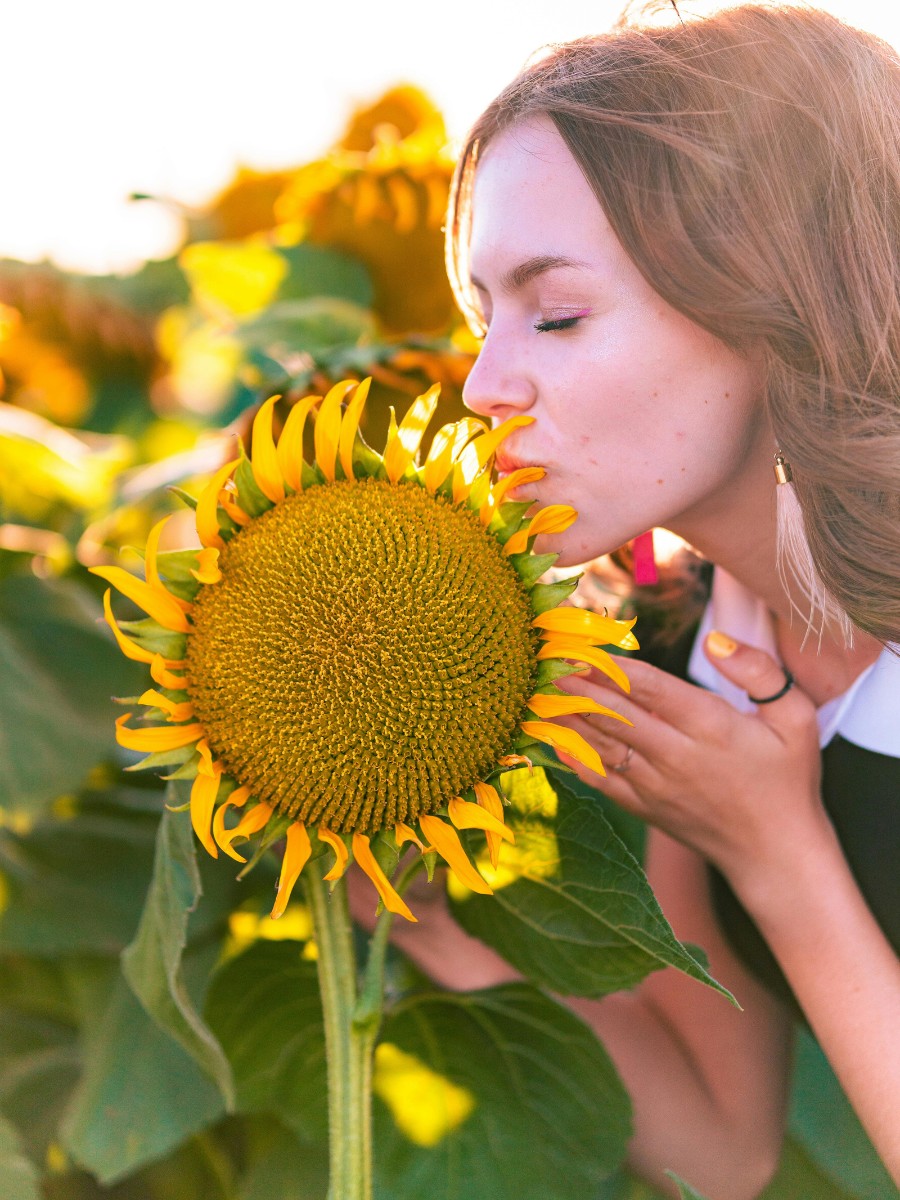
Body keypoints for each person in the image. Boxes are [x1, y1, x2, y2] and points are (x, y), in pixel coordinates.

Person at [351, 4, 900, 1196]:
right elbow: (724, 1141)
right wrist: (429, 916)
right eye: (484, 321)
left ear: (774, 299)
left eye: (556, 315)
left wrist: (779, 857)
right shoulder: (681, 648)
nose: (484, 388)